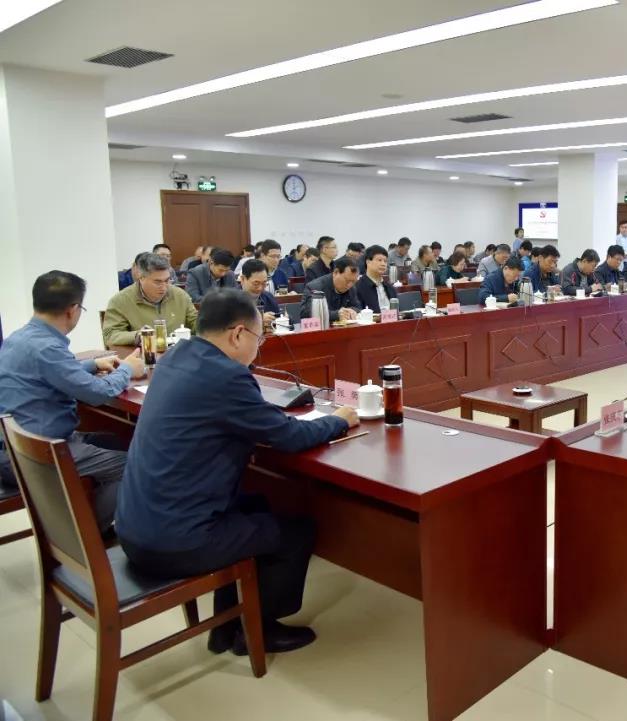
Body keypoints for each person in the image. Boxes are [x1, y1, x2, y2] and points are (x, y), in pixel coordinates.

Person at [116, 289, 359, 656]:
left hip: (135, 526)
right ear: (237, 334)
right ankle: (257, 631)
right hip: (175, 541)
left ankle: (227, 626)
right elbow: (290, 437)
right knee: (296, 532)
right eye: (258, 339)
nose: (258, 348)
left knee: (258, 504)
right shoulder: (227, 377)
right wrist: (338, 420)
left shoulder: (175, 356)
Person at [0, 271, 145, 531]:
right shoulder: (48, 347)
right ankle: (87, 534)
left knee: (118, 440)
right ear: (72, 310)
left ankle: (107, 516)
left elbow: (49, 371)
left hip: (18, 445)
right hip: (40, 451)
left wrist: (92, 364)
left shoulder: (20, 338)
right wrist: (127, 369)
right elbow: (96, 393)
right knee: (132, 467)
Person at [103, 253, 199, 346]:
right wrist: (136, 336)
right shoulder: (121, 300)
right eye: (157, 282)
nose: (164, 287)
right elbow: (110, 335)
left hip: (178, 352)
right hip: (143, 353)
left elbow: (195, 323)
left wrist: (205, 325)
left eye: (167, 280)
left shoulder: (180, 296)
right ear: (141, 278)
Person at [300, 257, 363, 321]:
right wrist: (336, 315)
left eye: (353, 281)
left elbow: (357, 307)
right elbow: (307, 313)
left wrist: (352, 311)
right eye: (347, 280)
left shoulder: (351, 288)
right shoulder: (315, 288)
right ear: (336, 272)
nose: (349, 285)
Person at [356, 245, 398, 312]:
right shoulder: (358, 287)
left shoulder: (390, 288)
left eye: (385, 261)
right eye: (379, 260)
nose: (383, 264)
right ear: (368, 262)